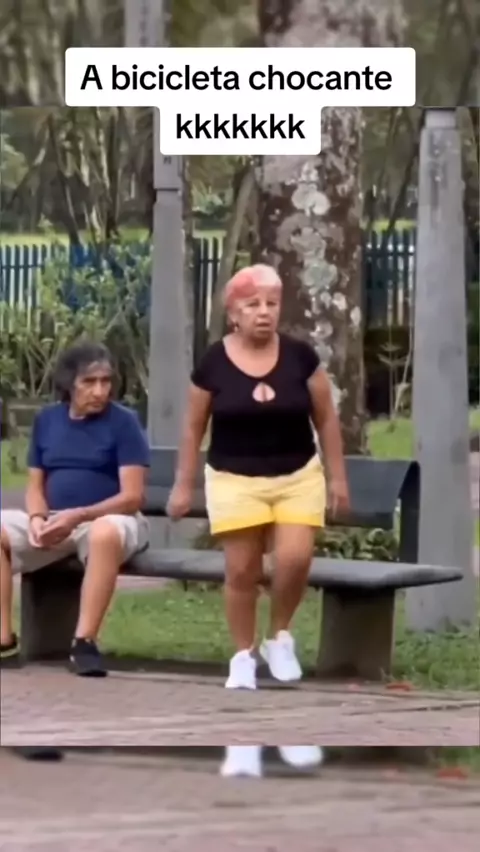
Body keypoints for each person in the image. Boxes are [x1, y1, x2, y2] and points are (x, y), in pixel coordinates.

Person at [167, 264, 349, 690]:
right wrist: (183, 484)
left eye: (271, 303)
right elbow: (193, 427)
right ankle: (243, 654)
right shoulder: (213, 363)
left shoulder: (301, 357)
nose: (264, 312)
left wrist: (338, 479)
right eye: (252, 305)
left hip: (297, 474)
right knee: (241, 569)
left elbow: (326, 418)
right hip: (234, 477)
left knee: (294, 559)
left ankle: (279, 636)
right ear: (234, 313)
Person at [0, 341, 150, 677]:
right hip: (56, 520)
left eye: (105, 381)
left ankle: (84, 642)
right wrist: (37, 519)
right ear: (69, 384)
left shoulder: (124, 423)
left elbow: (132, 497)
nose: (99, 391)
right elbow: (35, 486)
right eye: (89, 382)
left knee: (104, 533)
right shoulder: (48, 420)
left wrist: (78, 516)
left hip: (111, 518)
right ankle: (4, 641)